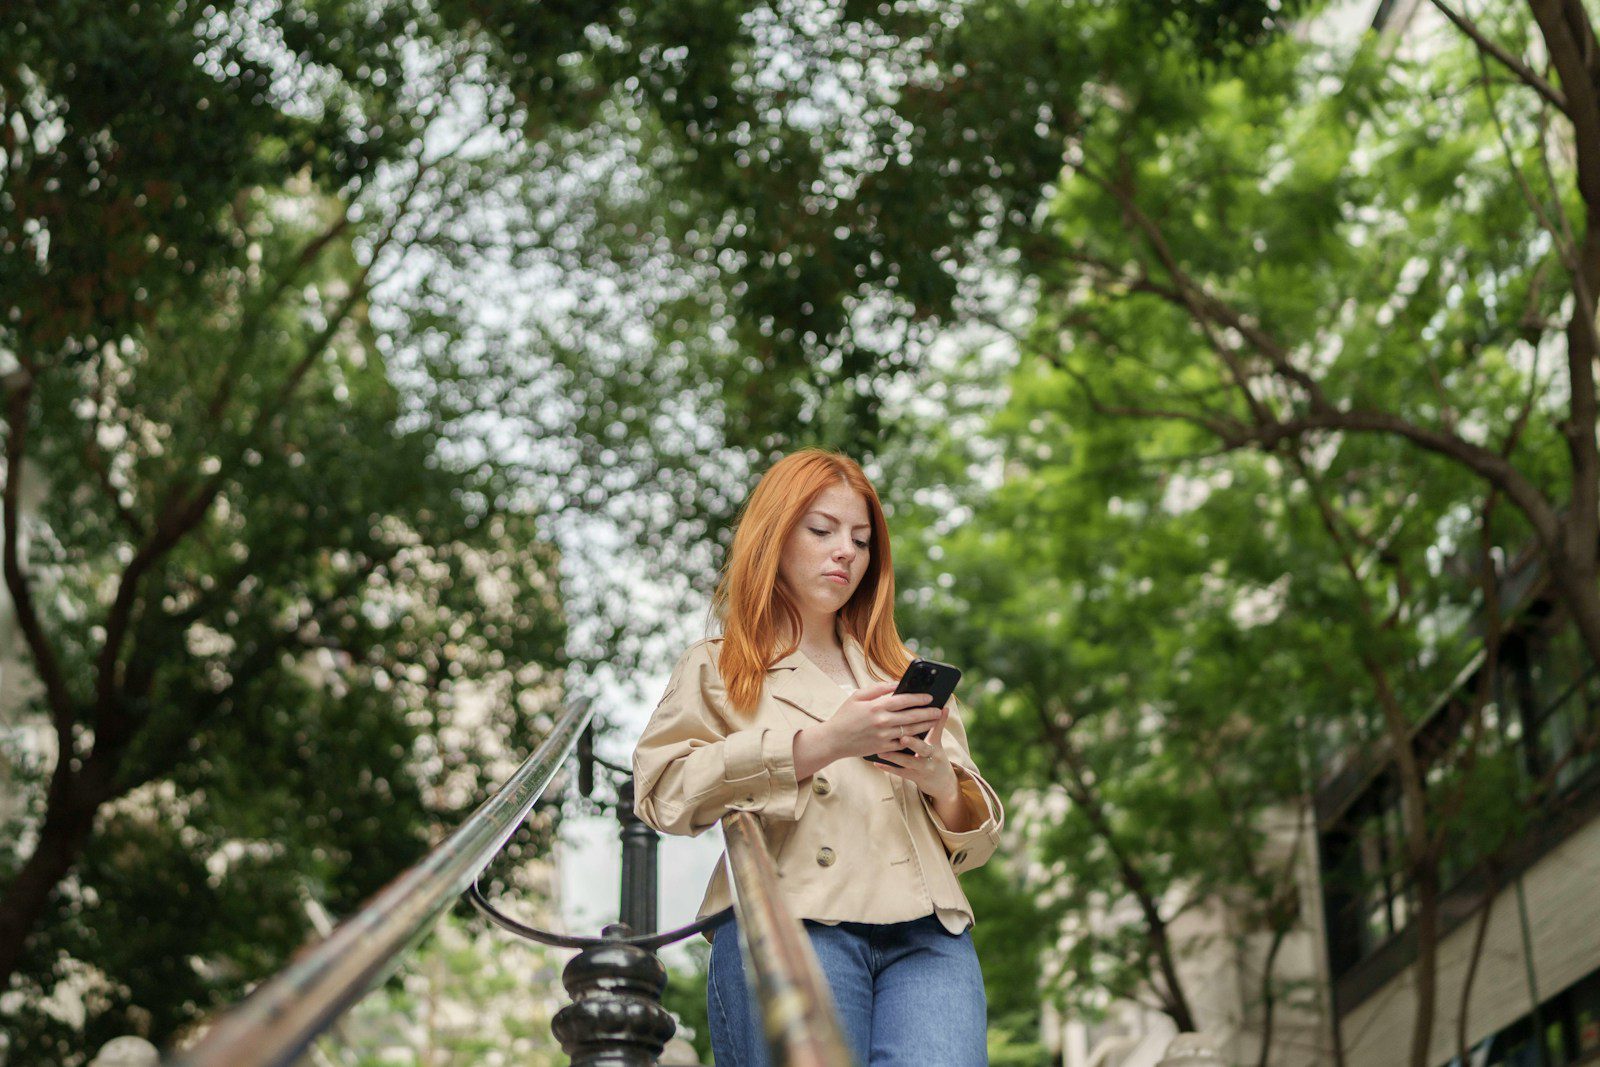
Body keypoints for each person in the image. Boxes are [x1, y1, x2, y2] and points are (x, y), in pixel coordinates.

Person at [631, 447, 1004, 1065]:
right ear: (774, 537)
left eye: (861, 540)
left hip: (930, 935)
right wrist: (823, 744)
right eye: (822, 530)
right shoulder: (720, 666)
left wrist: (939, 779)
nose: (846, 553)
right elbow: (662, 791)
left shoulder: (899, 672)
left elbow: (976, 841)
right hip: (792, 919)